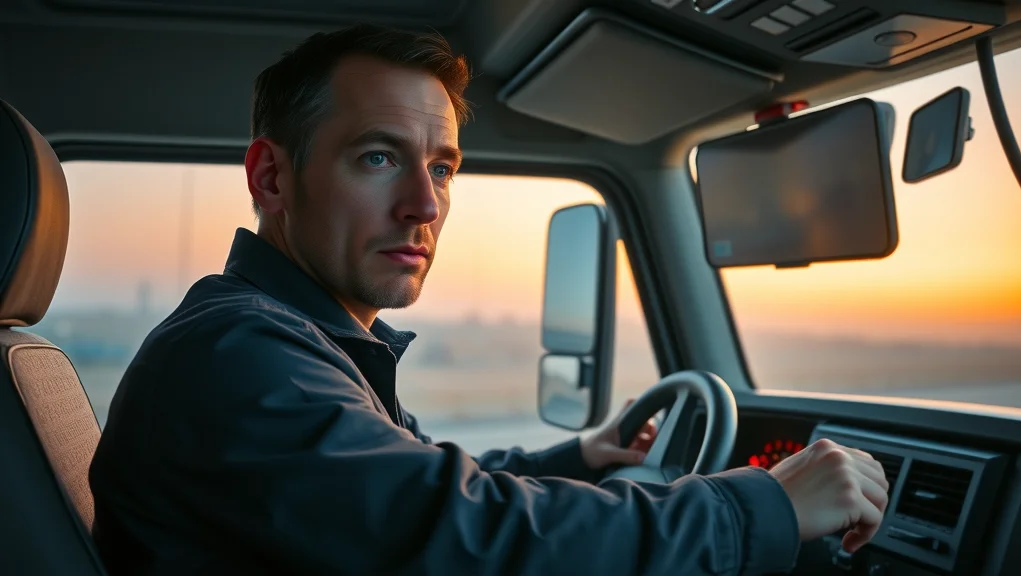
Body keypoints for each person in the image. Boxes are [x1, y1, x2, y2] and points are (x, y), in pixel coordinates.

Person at [88, 24, 890, 575]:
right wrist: (762, 509)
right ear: (271, 178)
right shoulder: (238, 358)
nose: (425, 205)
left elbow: (416, 489)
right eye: (377, 158)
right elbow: (464, 537)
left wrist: (578, 457)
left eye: (441, 168)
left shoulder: (294, 341)